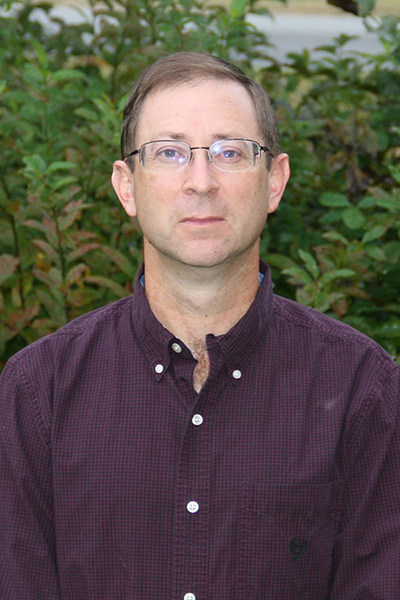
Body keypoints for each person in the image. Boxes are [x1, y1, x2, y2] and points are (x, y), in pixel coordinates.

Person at [0, 52, 399, 600]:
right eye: (168, 153)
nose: (201, 181)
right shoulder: (35, 391)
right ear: (127, 186)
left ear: (275, 181)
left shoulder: (361, 389)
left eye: (229, 152)